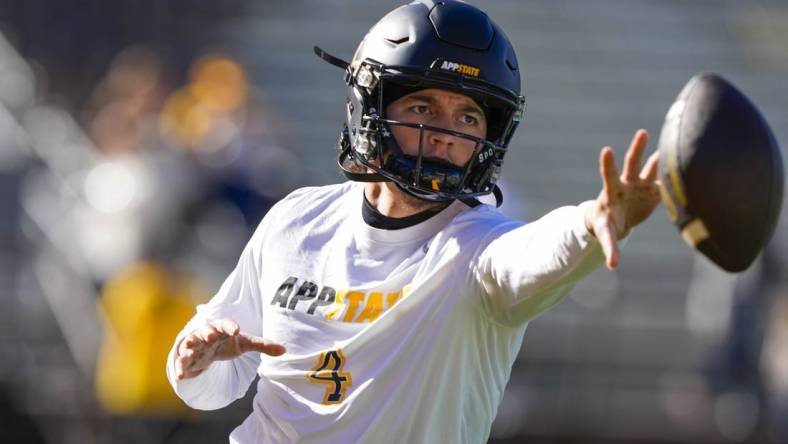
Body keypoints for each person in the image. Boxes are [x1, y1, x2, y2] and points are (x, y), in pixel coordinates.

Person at [166, 1, 661, 442]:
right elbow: (208, 387)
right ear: (370, 108)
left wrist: (594, 222)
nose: (447, 134)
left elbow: (535, 254)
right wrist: (193, 358)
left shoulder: (478, 249)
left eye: (469, 118)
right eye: (423, 107)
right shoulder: (296, 220)